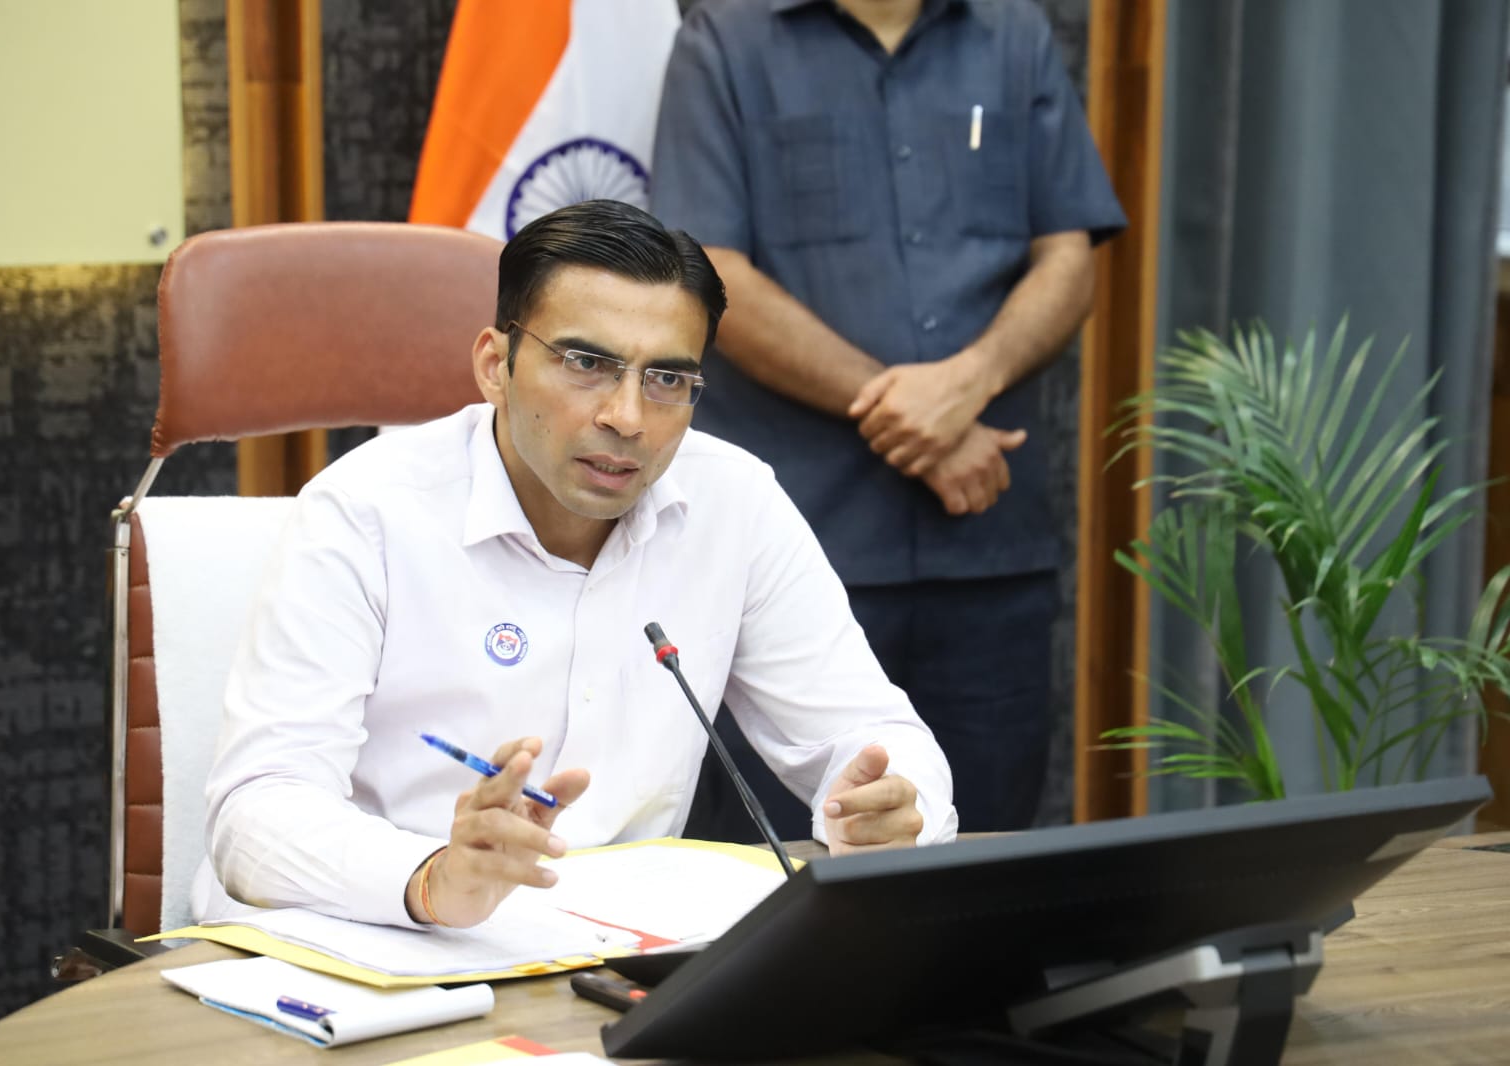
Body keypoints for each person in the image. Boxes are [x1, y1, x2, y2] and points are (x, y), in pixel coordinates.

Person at [195, 199, 956, 931]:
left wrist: (893, 808)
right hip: (383, 946)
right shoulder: (364, 512)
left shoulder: (735, 502)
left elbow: (873, 734)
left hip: (621, 956)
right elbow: (257, 809)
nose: (627, 417)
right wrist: (433, 878)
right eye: (587, 363)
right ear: (495, 365)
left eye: (667, 379)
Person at [651, 0, 1126, 833]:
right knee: (782, 864)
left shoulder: (1013, 35)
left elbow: (1069, 255)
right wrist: (915, 414)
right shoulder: (724, 40)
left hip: (987, 547)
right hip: (795, 549)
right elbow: (708, 272)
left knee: (987, 858)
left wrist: (967, 383)